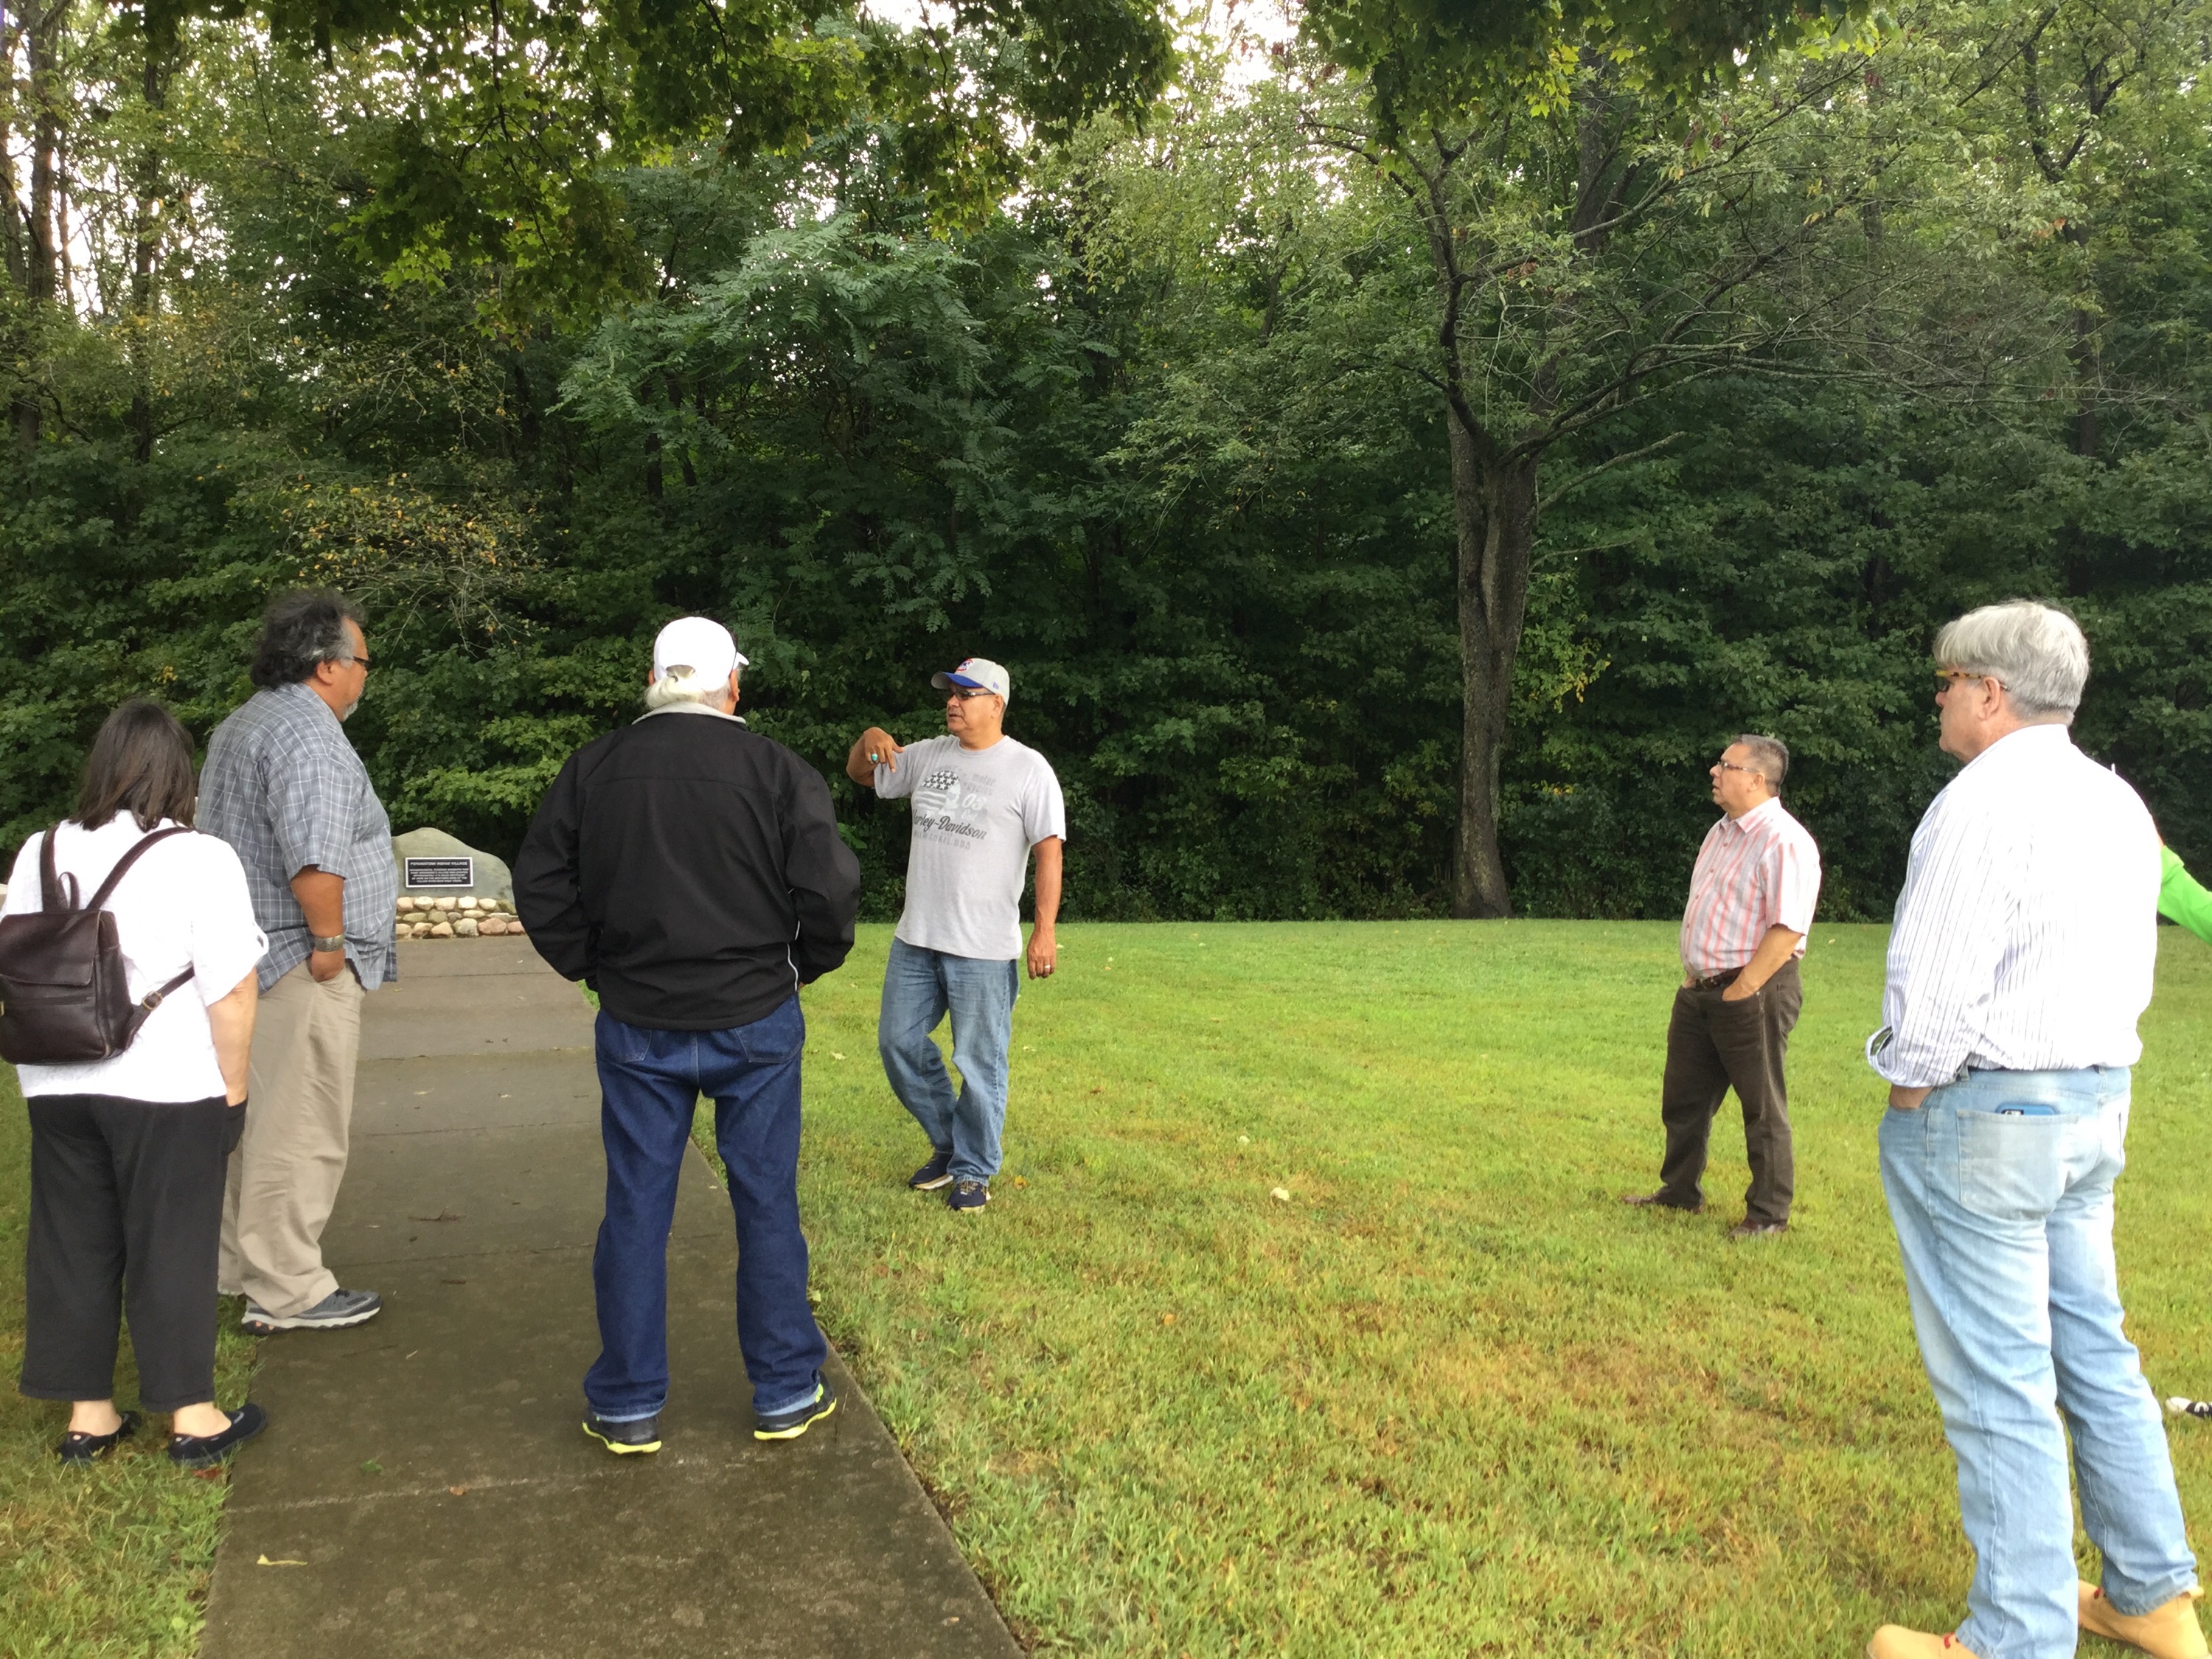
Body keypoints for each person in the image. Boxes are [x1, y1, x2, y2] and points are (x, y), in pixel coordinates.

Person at [1864, 601, 2204, 1659]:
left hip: (1989, 1113)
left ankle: (2016, 1636)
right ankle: (2152, 1596)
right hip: (2094, 1103)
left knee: (1998, 1378)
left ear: (1990, 691)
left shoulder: (1979, 802)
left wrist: (1910, 1085)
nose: (1938, 698)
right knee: (2096, 1351)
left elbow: (1934, 983)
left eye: (1947, 679)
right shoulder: (2116, 800)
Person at [515, 617, 860, 1455]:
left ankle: (629, 1402)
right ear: (731, 685)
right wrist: (800, 967)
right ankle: (785, 1388)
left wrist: (592, 965)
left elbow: (541, 880)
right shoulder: (776, 770)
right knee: (766, 1200)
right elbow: (831, 888)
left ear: (654, 679)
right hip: (755, 1017)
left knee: (636, 1207)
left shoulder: (595, 767)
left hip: (640, 1019)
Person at [6, 700, 271, 1467]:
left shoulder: (39, 849)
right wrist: (232, 1092)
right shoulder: (201, 857)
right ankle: (192, 1415)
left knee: (72, 1240)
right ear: (178, 773)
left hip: (57, 1074)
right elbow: (233, 990)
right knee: (171, 1241)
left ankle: (88, 1416)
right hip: (166, 1079)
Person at [199, 591, 394, 1335]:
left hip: (244, 958)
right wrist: (330, 946)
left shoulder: (246, 722)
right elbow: (316, 859)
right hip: (296, 961)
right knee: (300, 1126)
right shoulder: (310, 737)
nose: (366, 676)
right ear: (327, 666)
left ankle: (235, 1268)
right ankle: (287, 1289)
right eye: (363, 662)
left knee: (250, 1124)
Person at [846, 657, 1065, 1214]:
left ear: (997, 703)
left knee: (979, 1063)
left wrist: (1044, 931)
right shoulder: (927, 756)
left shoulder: (1028, 769)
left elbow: (1049, 852)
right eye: (951, 692)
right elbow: (862, 774)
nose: (953, 702)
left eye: (966, 694)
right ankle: (950, 1143)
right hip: (917, 938)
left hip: (984, 949)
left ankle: (973, 1170)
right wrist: (869, 738)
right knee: (897, 1042)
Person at [1622, 734, 1820, 1239]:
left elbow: (1788, 928)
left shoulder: (1784, 840)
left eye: (1726, 766)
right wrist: (1696, 974)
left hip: (1755, 989)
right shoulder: (1722, 831)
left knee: (1762, 1105)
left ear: (1756, 780)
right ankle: (1679, 1192)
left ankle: (1768, 1214)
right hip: (1701, 989)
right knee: (1684, 1100)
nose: (1714, 771)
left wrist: (1743, 987)